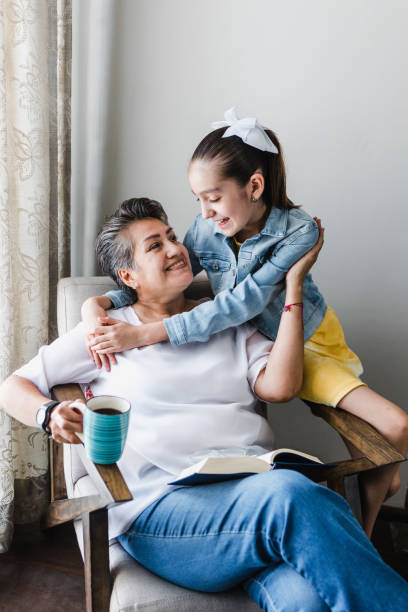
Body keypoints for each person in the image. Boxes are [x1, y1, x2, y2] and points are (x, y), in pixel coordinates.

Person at [1, 197, 407, 612]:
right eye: (154, 246)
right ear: (128, 275)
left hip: (251, 498)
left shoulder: (226, 321)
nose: (175, 249)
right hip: (163, 511)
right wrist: (47, 413)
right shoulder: (108, 333)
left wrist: (294, 284)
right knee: (295, 496)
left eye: (172, 237)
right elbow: (13, 386)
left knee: (306, 599)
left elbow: (282, 386)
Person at [82, 108, 408, 538]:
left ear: (254, 185)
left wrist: (146, 333)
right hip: (276, 348)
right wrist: (101, 301)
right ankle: (367, 524)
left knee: (390, 445)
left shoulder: (300, 231)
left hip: (311, 340)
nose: (203, 211)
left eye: (213, 197)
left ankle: (362, 534)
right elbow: (166, 280)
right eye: (198, 198)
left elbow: (242, 302)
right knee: (391, 448)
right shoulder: (205, 228)